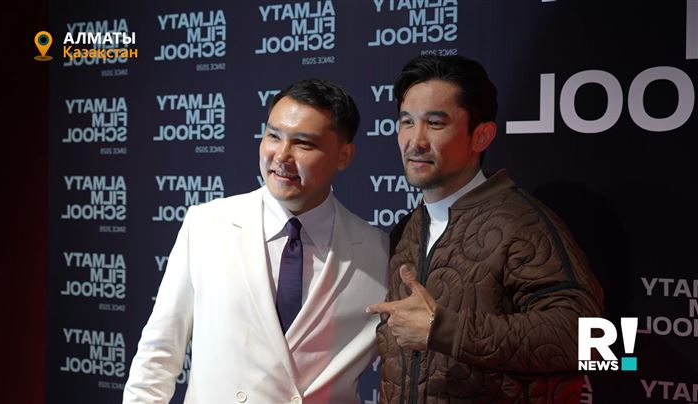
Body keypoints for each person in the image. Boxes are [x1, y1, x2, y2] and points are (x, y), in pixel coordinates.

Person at [124, 79, 388, 404]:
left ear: (343, 156)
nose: (282, 156)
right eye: (273, 136)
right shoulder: (206, 225)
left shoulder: (377, 252)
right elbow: (158, 353)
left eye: (303, 144)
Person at [366, 55, 604, 403]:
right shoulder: (407, 229)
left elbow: (598, 344)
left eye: (435, 123)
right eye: (407, 122)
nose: (415, 140)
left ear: (481, 136)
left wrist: (445, 330)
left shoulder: (523, 223)